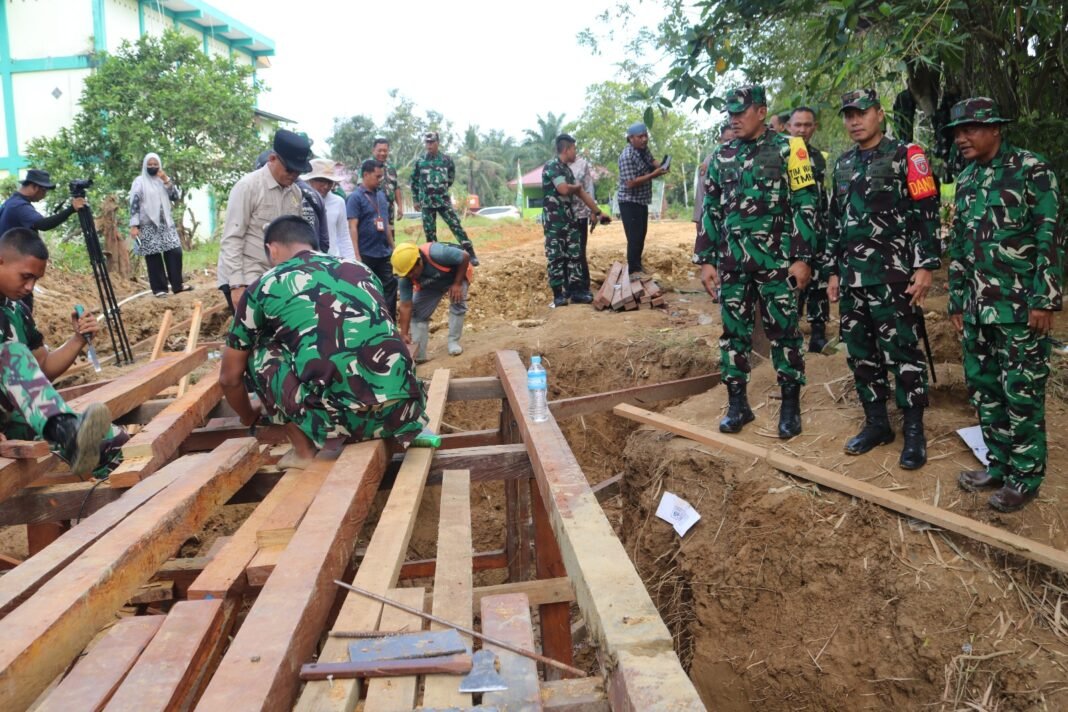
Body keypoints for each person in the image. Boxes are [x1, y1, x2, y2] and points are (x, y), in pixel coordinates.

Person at [220, 216, 426, 468]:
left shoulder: (264, 285)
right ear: (312, 243)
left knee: (258, 347)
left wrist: (248, 416)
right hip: (402, 412)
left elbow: (229, 377)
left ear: (271, 249)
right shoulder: (361, 270)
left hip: (336, 423)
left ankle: (304, 451)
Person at [947, 98, 1062, 512]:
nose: (962, 138)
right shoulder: (966, 179)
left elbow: (1049, 236)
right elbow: (959, 244)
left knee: (1022, 393)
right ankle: (998, 464)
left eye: (971, 129)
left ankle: (1026, 477)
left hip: (1019, 309)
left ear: (996, 129)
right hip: (978, 309)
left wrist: (1045, 298)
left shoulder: (1032, 170)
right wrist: (957, 300)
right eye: (958, 132)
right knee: (985, 389)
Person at [825, 88, 941, 470]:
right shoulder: (841, 165)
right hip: (853, 278)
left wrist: (925, 266)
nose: (854, 121)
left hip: (894, 276)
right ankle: (877, 423)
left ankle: (913, 431)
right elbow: (835, 223)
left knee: (903, 353)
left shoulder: (908, 155)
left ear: (879, 114)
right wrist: (832, 271)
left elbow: (927, 212)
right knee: (860, 354)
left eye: (861, 113)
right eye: (848, 114)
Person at [697, 84, 818, 439]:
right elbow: (712, 209)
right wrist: (706, 260)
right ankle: (738, 406)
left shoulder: (790, 150)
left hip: (777, 264)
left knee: (785, 334)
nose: (734, 119)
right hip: (733, 264)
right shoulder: (721, 156)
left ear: (762, 112)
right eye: (730, 114)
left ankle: (790, 408)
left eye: (740, 112)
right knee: (733, 335)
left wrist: (803, 258)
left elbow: (806, 204)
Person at [0, 227, 128, 476]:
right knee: (9, 354)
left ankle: (69, 434)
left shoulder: (16, 311)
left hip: (17, 421)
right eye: (25, 276)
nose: (29, 287)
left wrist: (78, 339)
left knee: (114, 442)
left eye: (35, 280)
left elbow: (40, 370)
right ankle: (68, 432)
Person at [219, 129, 309, 310]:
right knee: (255, 334)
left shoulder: (295, 193)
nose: (293, 175)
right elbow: (232, 238)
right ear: (273, 159)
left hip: (277, 276)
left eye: (298, 172)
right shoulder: (248, 187)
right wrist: (237, 285)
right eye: (289, 169)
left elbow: (295, 239)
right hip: (246, 275)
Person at [0, 169, 88, 312]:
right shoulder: (19, 206)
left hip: (11, 267)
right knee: (22, 312)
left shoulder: (11, 202)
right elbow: (43, 224)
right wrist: (71, 209)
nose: (44, 196)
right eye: (44, 191)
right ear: (34, 187)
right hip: (16, 268)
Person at [541, 134, 607, 307]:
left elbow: (581, 193)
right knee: (556, 256)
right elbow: (563, 189)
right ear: (566, 149)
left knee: (575, 255)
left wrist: (598, 212)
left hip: (570, 218)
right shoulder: (552, 166)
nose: (575, 152)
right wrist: (576, 187)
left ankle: (577, 291)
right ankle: (558, 295)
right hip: (554, 221)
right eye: (574, 149)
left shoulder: (566, 170)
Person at [788, 106, 831, 352]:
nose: (803, 129)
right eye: (798, 125)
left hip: (817, 232)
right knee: (792, 283)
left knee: (819, 283)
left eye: (807, 125)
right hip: (790, 233)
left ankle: (817, 333)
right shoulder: (780, 154)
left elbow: (821, 198)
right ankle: (790, 333)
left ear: (814, 127)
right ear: (788, 127)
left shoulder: (818, 158)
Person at [391, 241, 472, 360]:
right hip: (431, 285)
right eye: (407, 274)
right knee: (416, 313)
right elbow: (406, 306)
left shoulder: (437, 253)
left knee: (458, 304)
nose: (410, 276)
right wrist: (404, 333)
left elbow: (465, 256)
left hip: (456, 276)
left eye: (412, 271)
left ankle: (453, 342)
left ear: (419, 261)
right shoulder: (405, 277)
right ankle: (419, 355)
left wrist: (457, 283)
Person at [410, 131, 479, 265]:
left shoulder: (447, 160)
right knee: (430, 232)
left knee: (456, 226)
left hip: (443, 201)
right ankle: (433, 259)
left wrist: (440, 189)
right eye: (427, 143)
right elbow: (414, 181)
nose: (429, 145)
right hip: (427, 203)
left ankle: (470, 254)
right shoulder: (420, 161)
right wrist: (416, 199)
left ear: (438, 143)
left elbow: (450, 178)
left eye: (432, 142)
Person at [129, 153, 190, 297]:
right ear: (145, 166)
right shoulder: (139, 182)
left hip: (165, 223)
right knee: (153, 256)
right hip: (147, 223)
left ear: (159, 165)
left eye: (155, 164)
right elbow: (134, 204)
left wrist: (166, 179)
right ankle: (160, 289)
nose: (152, 167)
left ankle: (177, 285)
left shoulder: (163, 180)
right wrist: (134, 225)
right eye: (149, 165)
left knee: (175, 252)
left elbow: (174, 196)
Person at [347, 159, 397, 318]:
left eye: (381, 176)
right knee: (367, 290)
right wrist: (356, 255)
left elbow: (386, 224)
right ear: (366, 175)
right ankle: (371, 323)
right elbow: (352, 227)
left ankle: (390, 322)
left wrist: (393, 248)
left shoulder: (381, 196)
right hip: (366, 253)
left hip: (384, 252)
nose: (380, 180)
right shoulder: (355, 197)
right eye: (377, 176)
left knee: (390, 288)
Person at [617, 122, 667, 277]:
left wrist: (662, 166)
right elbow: (631, 182)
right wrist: (654, 174)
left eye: (646, 135)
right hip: (629, 202)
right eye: (640, 137)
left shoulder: (643, 150)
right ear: (631, 138)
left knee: (641, 234)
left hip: (641, 200)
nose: (644, 139)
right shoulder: (627, 156)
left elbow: (653, 162)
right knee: (634, 237)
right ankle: (633, 270)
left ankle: (637, 266)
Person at [302, 159, 350, 260]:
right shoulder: (300, 199)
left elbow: (344, 236)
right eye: (321, 181)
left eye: (329, 182)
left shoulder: (338, 202)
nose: (326, 186)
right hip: (305, 261)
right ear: (310, 179)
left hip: (332, 261)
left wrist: (351, 262)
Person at [568, 150, 597, 296]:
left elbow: (589, 188)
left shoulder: (582, 164)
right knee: (566, 253)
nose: (574, 151)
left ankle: (584, 286)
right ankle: (569, 288)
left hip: (580, 215)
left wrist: (593, 211)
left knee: (579, 252)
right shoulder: (557, 166)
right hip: (564, 217)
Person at [372, 138, 404, 229]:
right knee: (377, 236)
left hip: (389, 210)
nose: (382, 153)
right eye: (379, 150)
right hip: (374, 209)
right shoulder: (367, 166)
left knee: (390, 236)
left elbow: (396, 187)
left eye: (385, 151)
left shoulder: (391, 167)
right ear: (373, 150)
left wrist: (400, 207)